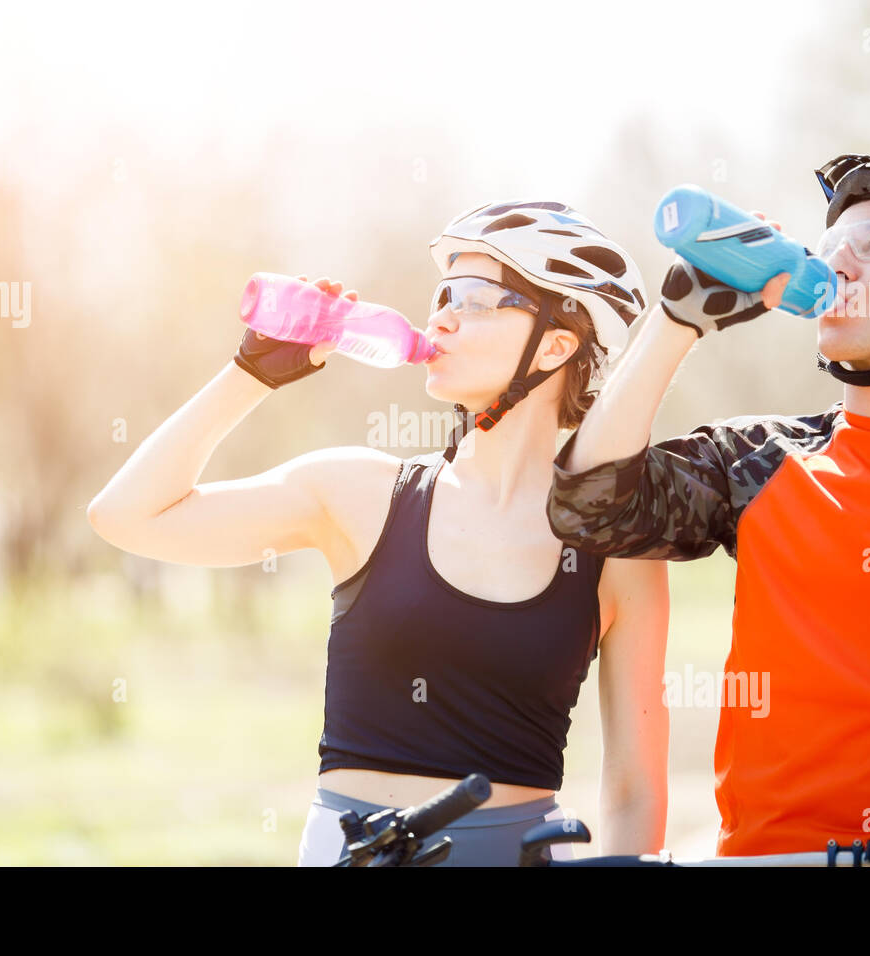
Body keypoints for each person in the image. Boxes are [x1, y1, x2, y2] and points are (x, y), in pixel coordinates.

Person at [87, 200, 670, 865]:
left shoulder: (620, 546)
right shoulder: (360, 491)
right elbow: (125, 515)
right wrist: (250, 375)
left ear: (559, 342)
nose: (442, 316)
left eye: (477, 298)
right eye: (444, 294)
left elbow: (634, 790)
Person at [547, 154, 870, 863]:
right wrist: (676, 319)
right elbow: (587, 503)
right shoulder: (759, 460)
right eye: (830, 251)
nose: (840, 267)